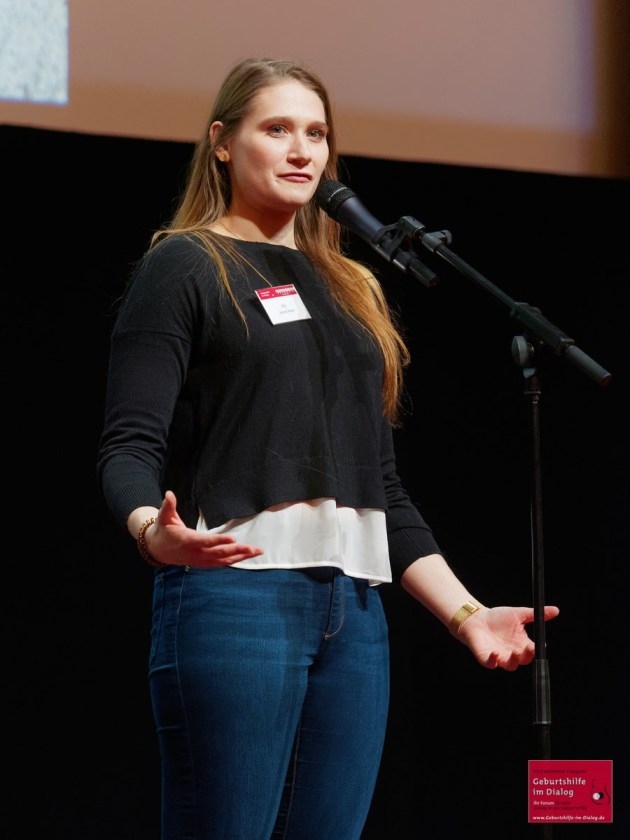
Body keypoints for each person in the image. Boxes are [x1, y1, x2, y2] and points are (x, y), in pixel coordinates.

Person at [96, 56, 560, 840]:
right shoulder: (186, 264)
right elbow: (127, 444)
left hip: (355, 614)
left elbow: (379, 486)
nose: (302, 150)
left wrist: (467, 615)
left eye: (316, 134)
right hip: (236, 598)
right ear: (222, 142)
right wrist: (152, 532)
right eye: (277, 129)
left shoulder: (351, 288)